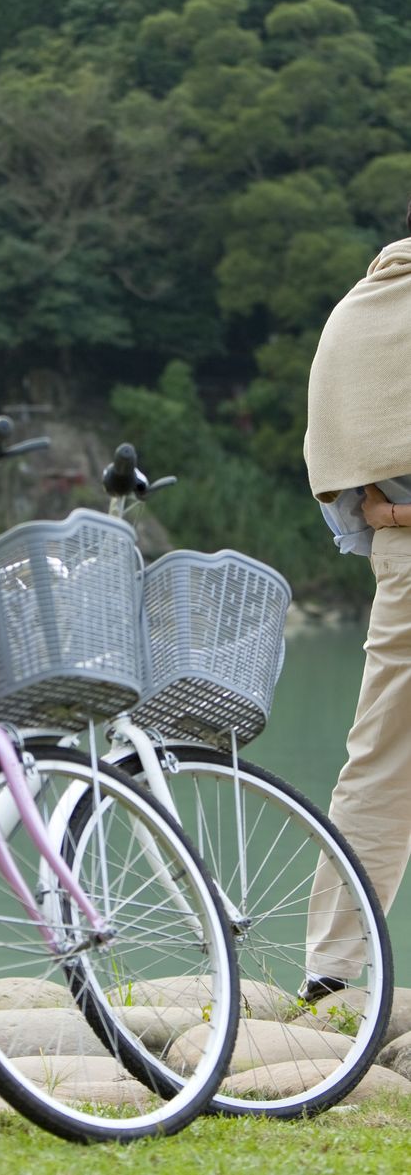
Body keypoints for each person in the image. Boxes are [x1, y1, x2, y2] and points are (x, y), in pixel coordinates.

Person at [302, 202, 411, 1000]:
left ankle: (333, 969)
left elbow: (343, 442)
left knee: (380, 758)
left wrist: (384, 506)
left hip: (403, 552)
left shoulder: (361, 310)